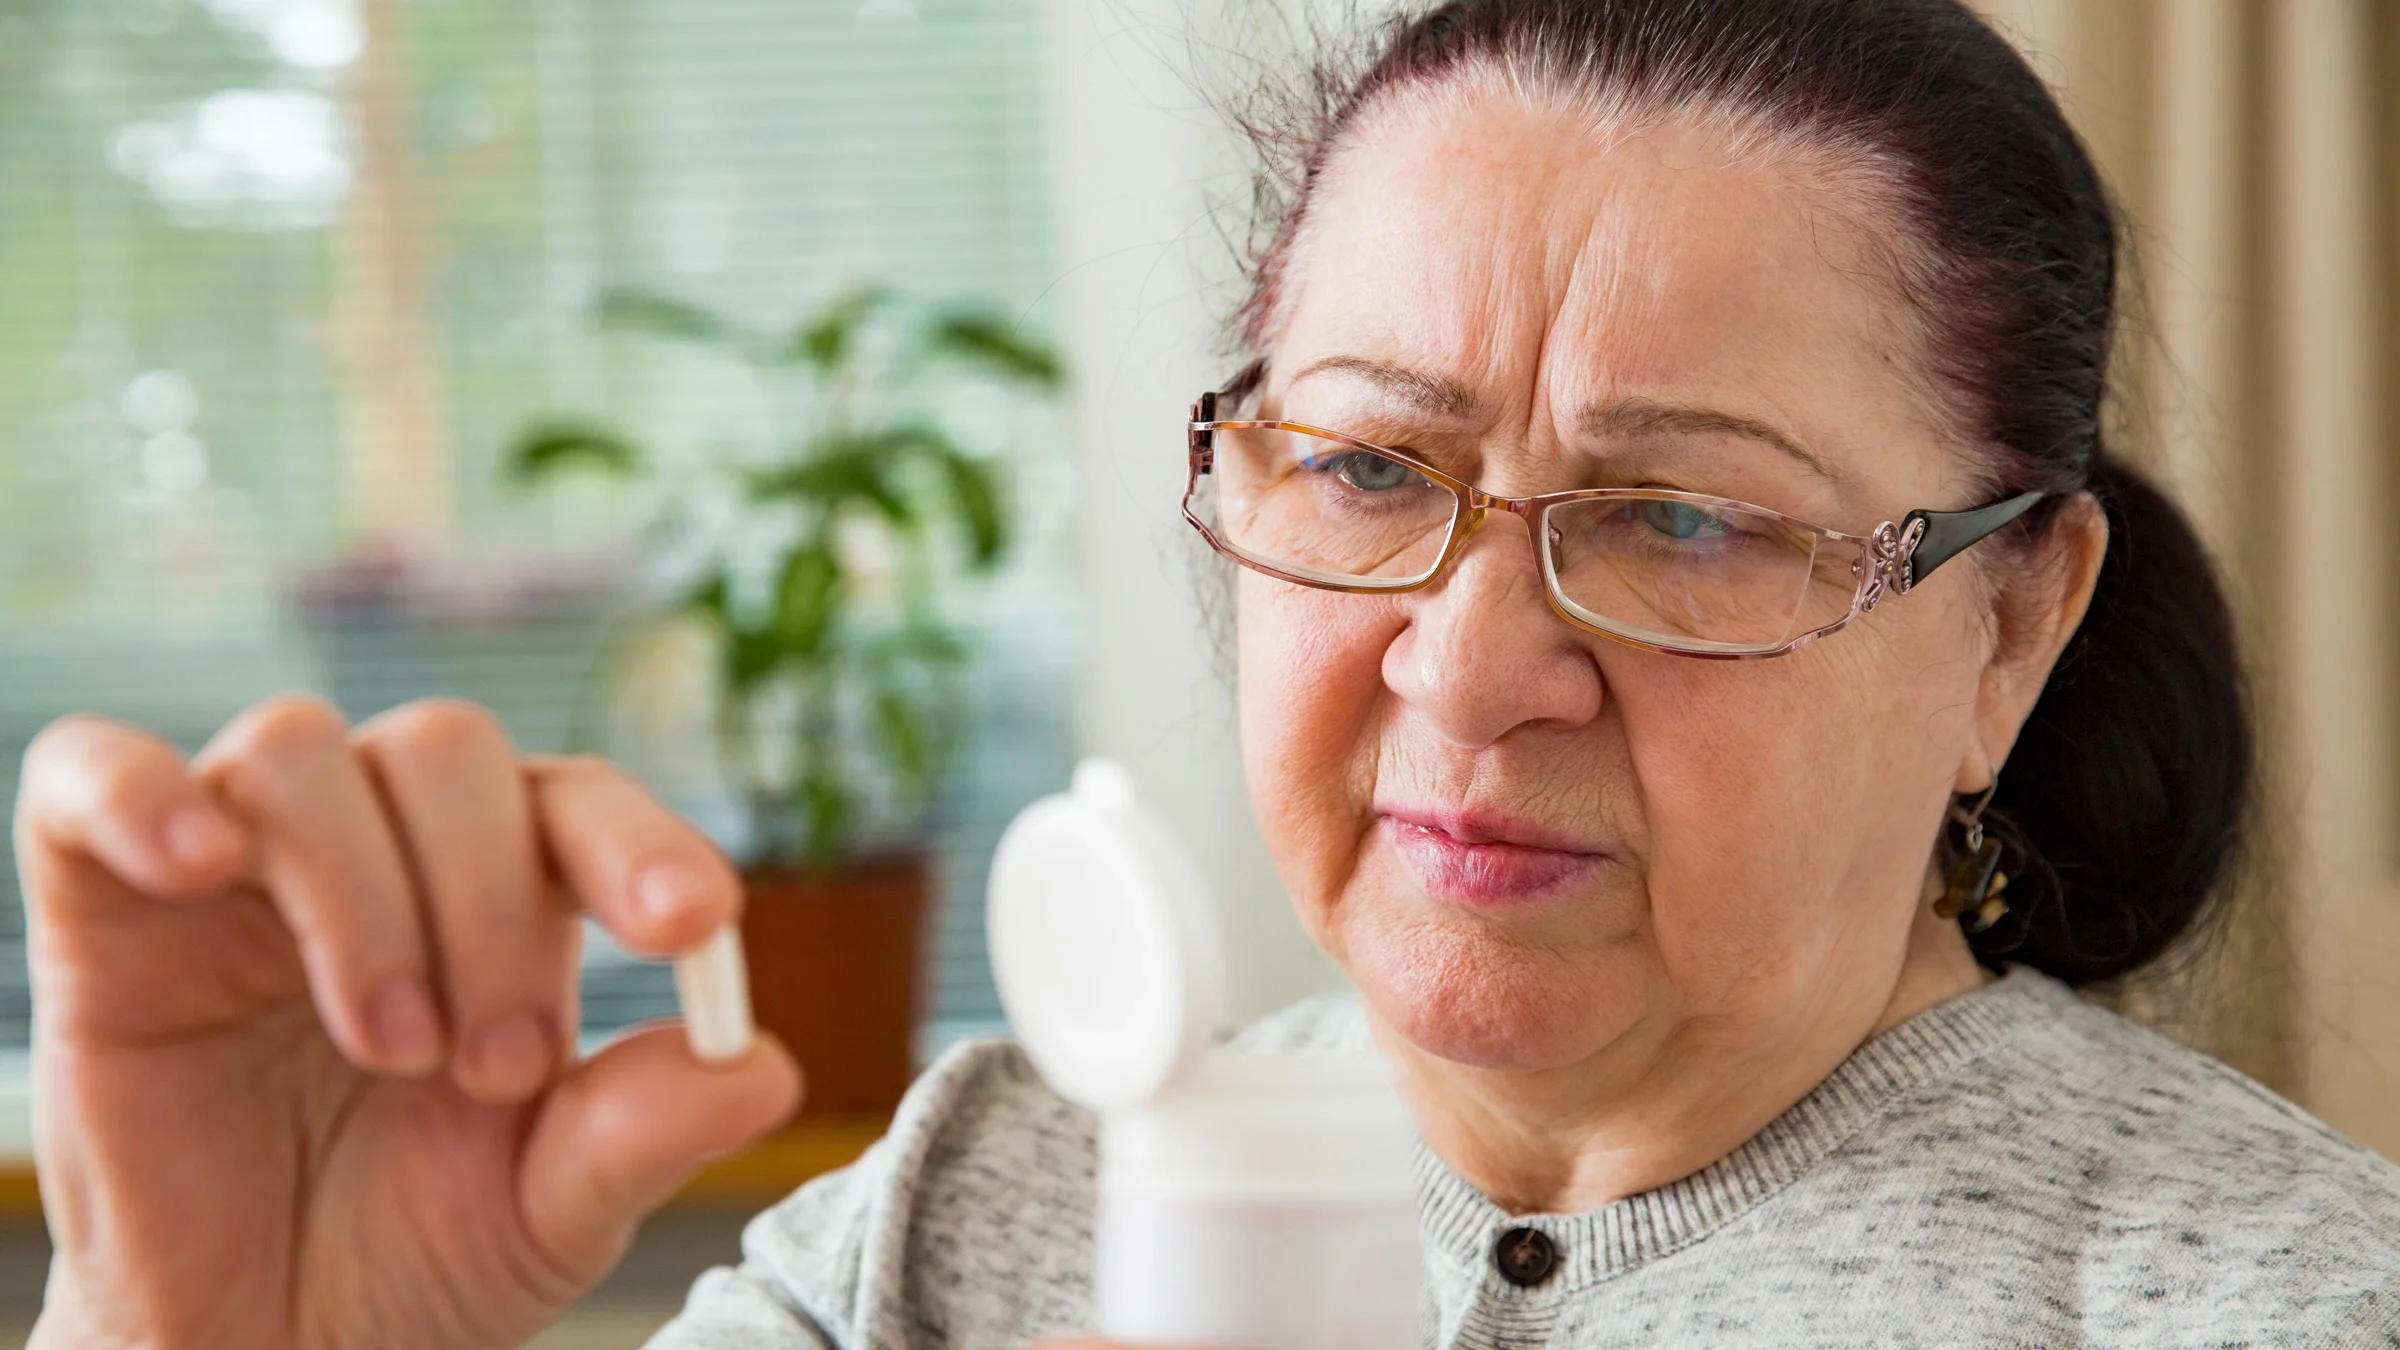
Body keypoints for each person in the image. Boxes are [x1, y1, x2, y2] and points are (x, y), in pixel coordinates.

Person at [18, 0, 2400, 1346]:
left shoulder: (2280, 1308)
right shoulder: (960, 1220)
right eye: (1369, 470)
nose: (1470, 671)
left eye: (1683, 519)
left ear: (2008, 620)